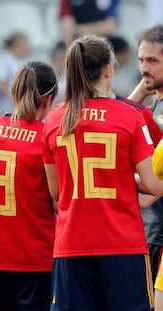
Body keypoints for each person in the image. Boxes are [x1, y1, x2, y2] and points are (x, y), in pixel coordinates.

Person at [43, 34, 163, 310]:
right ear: (108, 69)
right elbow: (153, 185)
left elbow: (57, 192)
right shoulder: (129, 116)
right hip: (122, 244)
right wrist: (127, 182)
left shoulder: (53, 119)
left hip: (71, 245)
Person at [0, 61, 57, 310]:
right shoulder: (45, 136)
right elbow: (58, 197)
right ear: (48, 100)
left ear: (13, 93)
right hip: (36, 255)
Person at [130, 24, 163, 311]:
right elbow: (118, 118)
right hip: (151, 228)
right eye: (141, 60)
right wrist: (147, 81)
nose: (144, 68)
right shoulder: (153, 104)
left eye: (152, 61)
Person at [0, 32, 31, 114]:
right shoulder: (5, 61)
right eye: (25, 44)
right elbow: (2, 85)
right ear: (17, 45)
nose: (28, 47)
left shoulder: (27, 61)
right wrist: (15, 101)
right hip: (9, 101)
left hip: (24, 101)